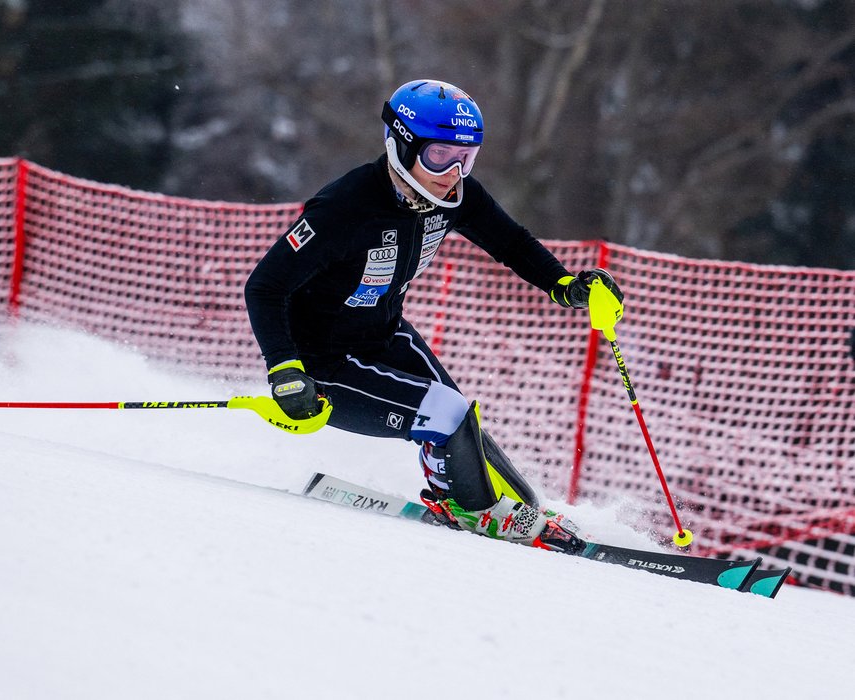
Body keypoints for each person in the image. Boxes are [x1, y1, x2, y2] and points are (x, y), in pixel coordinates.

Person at [245, 79, 623, 550]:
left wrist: (564, 285)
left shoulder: (455, 195)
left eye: (467, 158)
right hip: (322, 363)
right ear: (402, 145)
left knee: (465, 429)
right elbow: (265, 286)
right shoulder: (345, 206)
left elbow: (510, 242)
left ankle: (503, 504)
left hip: (383, 335)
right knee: (446, 414)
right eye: (441, 155)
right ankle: (473, 512)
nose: (454, 173)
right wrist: (284, 368)